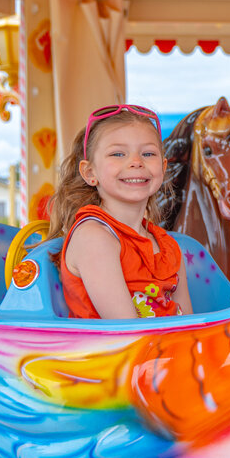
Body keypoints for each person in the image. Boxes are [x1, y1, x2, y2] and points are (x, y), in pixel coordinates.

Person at [49, 105, 192, 319]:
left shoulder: (168, 246)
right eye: (118, 154)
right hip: (124, 342)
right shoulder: (94, 237)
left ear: (163, 168)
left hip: (169, 341)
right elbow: (127, 330)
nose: (136, 162)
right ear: (90, 172)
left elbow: (190, 323)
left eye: (148, 153)